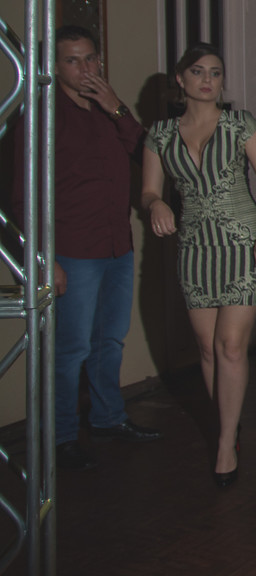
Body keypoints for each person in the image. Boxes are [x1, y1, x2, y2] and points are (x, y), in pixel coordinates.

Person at [13, 26, 164, 471]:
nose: (85, 69)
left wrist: (116, 107)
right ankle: (61, 437)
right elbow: (21, 197)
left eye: (91, 58)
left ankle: (108, 418)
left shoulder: (108, 110)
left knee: (109, 342)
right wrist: (44, 259)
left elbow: (148, 153)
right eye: (73, 61)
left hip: (118, 246)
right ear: (55, 67)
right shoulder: (40, 115)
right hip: (73, 250)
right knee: (70, 350)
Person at [141, 43, 256, 488]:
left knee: (231, 347)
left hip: (244, 244)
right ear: (180, 79)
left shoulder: (241, 124)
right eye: (198, 71)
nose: (207, 80)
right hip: (195, 248)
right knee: (206, 350)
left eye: (216, 72)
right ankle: (229, 423)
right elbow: (148, 191)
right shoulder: (159, 134)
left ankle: (224, 443)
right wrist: (156, 203)